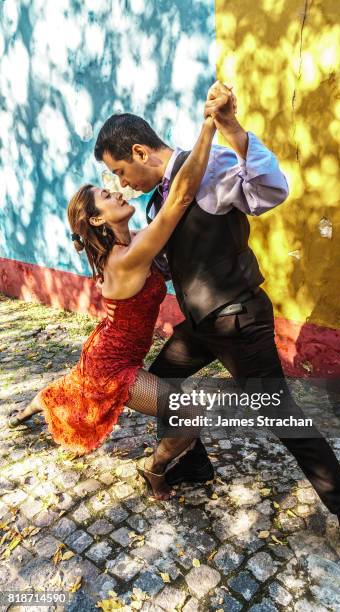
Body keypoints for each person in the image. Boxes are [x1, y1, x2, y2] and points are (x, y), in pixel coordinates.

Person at [93, 81, 340, 595]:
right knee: (165, 384)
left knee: (287, 424)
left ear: (139, 151)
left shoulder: (206, 169)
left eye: (120, 170)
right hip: (202, 327)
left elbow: (270, 190)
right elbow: (159, 261)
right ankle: (198, 464)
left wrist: (230, 126)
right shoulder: (152, 204)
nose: (122, 181)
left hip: (240, 322)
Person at [7, 105, 224, 501]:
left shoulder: (133, 241)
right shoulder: (126, 258)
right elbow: (178, 200)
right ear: (96, 220)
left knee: (75, 385)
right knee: (187, 414)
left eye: (115, 183)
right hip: (114, 365)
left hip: (107, 346)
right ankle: (153, 469)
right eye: (107, 194)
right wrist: (210, 126)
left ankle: (41, 399)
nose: (118, 189)